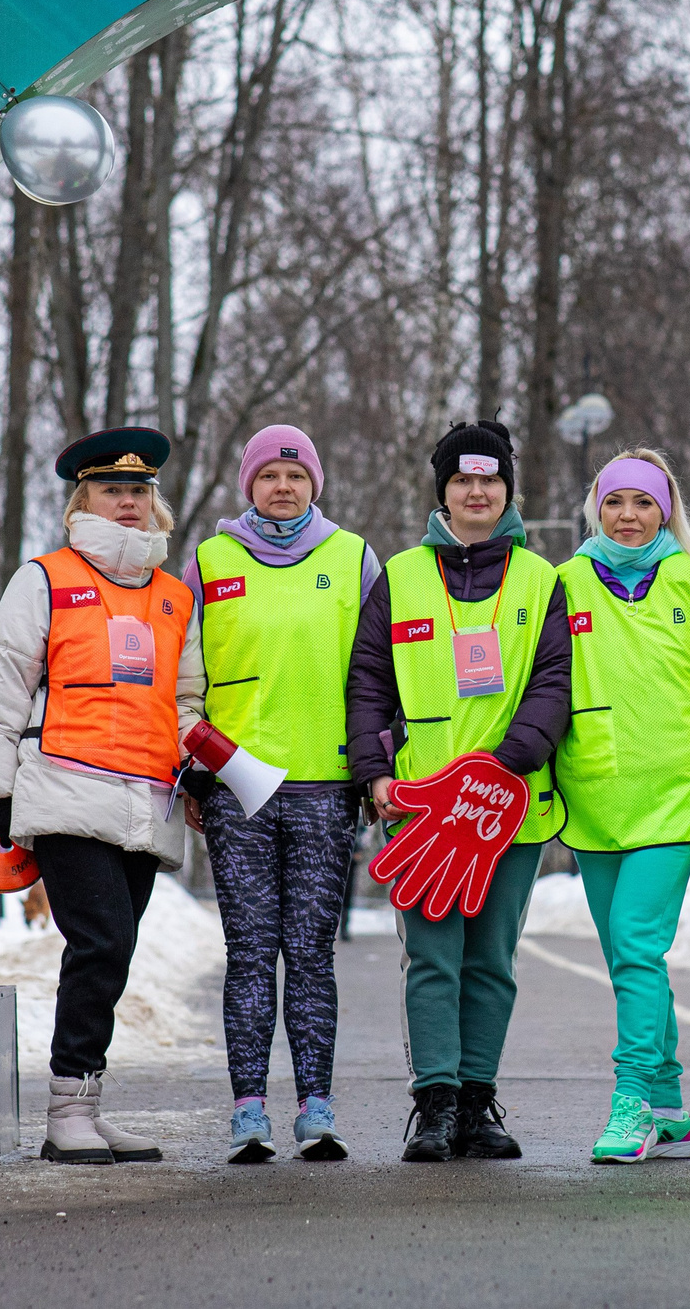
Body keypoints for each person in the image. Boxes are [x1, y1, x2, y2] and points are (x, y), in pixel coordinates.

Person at [0, 427, 205, 1165]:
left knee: (113, 951)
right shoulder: (44, 578)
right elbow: (2, 685)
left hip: (148, 797)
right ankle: (66, 1110)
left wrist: (200, 765)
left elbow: (187, 700)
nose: (127, 502)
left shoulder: (174, 597)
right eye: (111, 489)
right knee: (100, 941)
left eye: (138, 490)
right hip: (65, 789)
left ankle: (87, 1106)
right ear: (82, 500)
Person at [347, 420, 571, 1162]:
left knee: (492, 962)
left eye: (491, 479)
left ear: (508, 490)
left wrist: (506, 763)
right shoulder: (401, 576)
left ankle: (478, 1103)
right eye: (463, 480)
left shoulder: (542, 580)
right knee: (433, 958)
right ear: (443, 490)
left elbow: (554, 683)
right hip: (424, 812)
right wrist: (375, 772)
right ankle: (436, 1104)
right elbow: (369, 683)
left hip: (510, 807)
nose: (478, 492)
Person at [185, 423, 380, 1165]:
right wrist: (193, 772)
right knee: (248, 951)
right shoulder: (211, 561)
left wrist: (375, 765)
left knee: (310, 952)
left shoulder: (353, 557)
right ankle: (247, 1110)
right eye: (269, 475)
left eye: (296, 476)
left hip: (325, 786)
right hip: (238, 791)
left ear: (315, 485)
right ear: (249, 484)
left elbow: (378, 674)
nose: (283, 487)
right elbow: (184, 677)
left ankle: (316, 1108)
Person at [555, 448, 690, 1164]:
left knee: (634, 944)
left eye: (644, 503)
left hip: (674, 796)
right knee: (632, 958)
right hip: (593, 795)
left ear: (666, 510)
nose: (628, 516)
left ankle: (630, 1103)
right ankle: (671, 1108)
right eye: (615, 501)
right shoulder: (563, 582)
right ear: (596, 507)